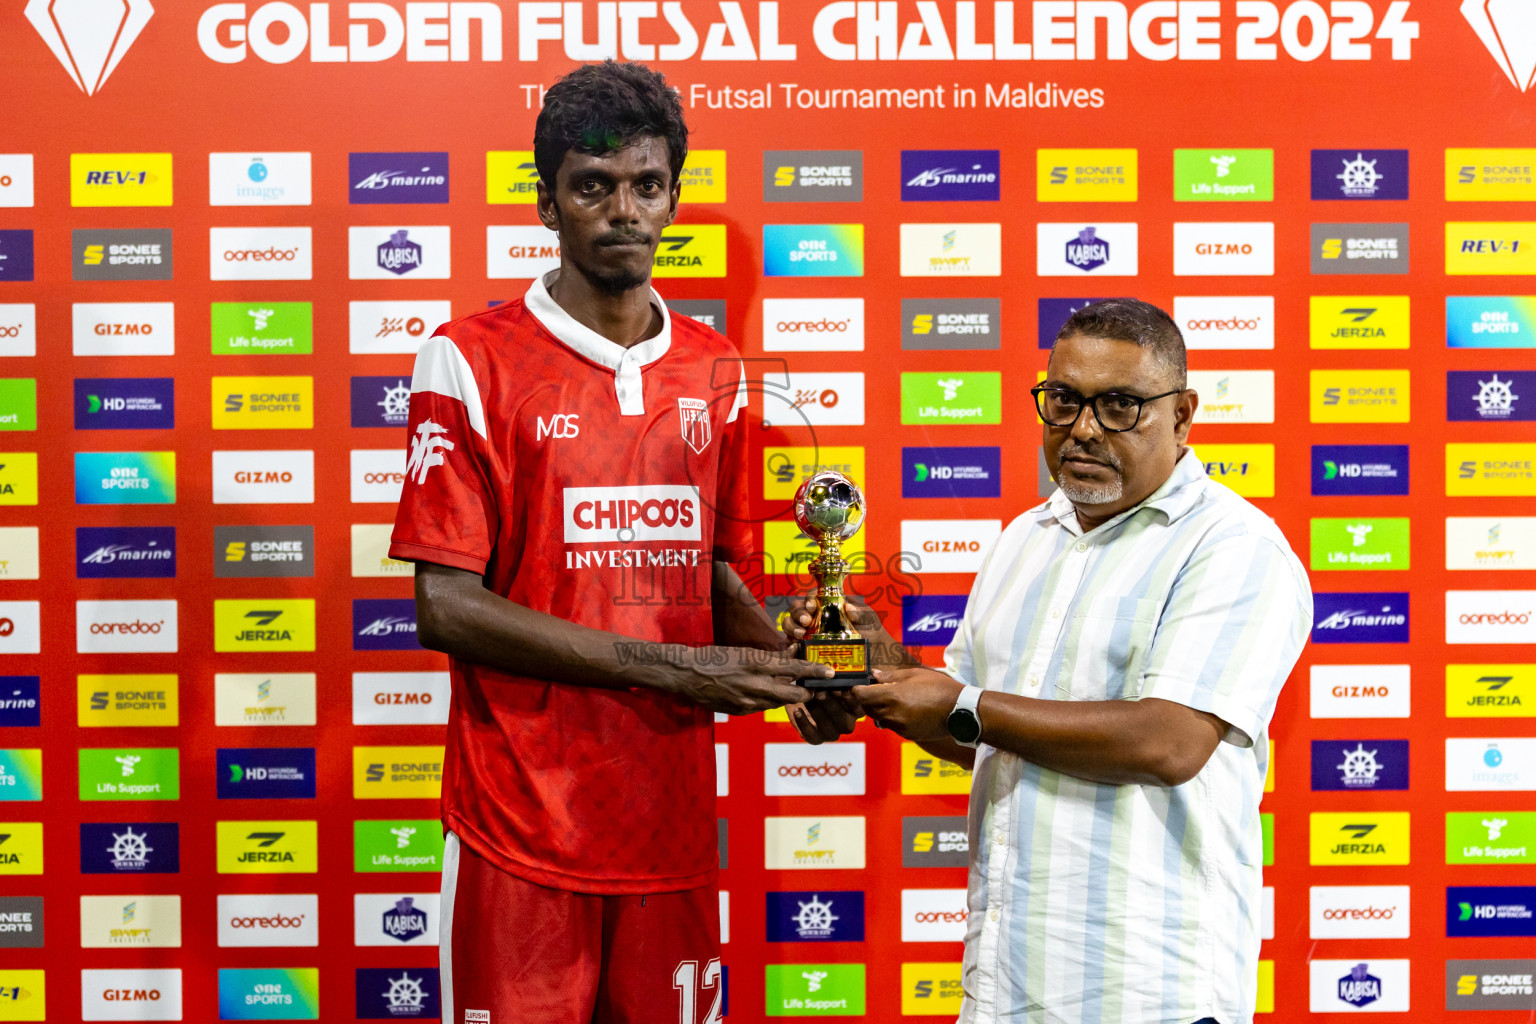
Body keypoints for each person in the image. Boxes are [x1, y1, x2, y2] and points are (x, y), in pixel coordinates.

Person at [389, 60, 835, 1024]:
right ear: (547, 200)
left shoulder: (719, 366)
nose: (623, 210)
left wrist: (804, 676)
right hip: (521, 823)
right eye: (593, 186)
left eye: (646, 184)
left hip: (669, 828)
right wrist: (674, 670)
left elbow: (707, 574)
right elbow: (445, 607)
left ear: (673, 194)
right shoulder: (467, 357)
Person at [790, 298, 1311, 1023]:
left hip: (1149, 993)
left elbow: (1169, 742)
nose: (1084, 429)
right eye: (1063, 400)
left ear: (1183, 415)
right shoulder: (1024, 540)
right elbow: (980, 735)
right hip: (1005, 984)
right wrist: (877, 670)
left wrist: (959, 703)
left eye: (1120, 405)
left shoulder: (1233, 548)